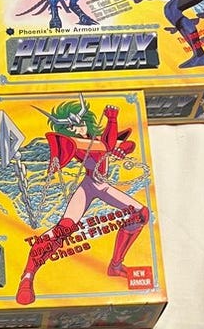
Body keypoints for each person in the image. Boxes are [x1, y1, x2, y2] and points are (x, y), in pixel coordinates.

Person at [16, 96, 149, 305]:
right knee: (63, 230)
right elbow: (105, 146)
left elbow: (124, 142)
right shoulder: (77, 144)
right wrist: (112, 120)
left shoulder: (97, 138)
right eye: (71, 127)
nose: (77, 129)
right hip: (88, 187)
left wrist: (125, 148)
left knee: (141, 214)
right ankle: (27, 276)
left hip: (102, 186)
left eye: (78, 123)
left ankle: (115, 265)